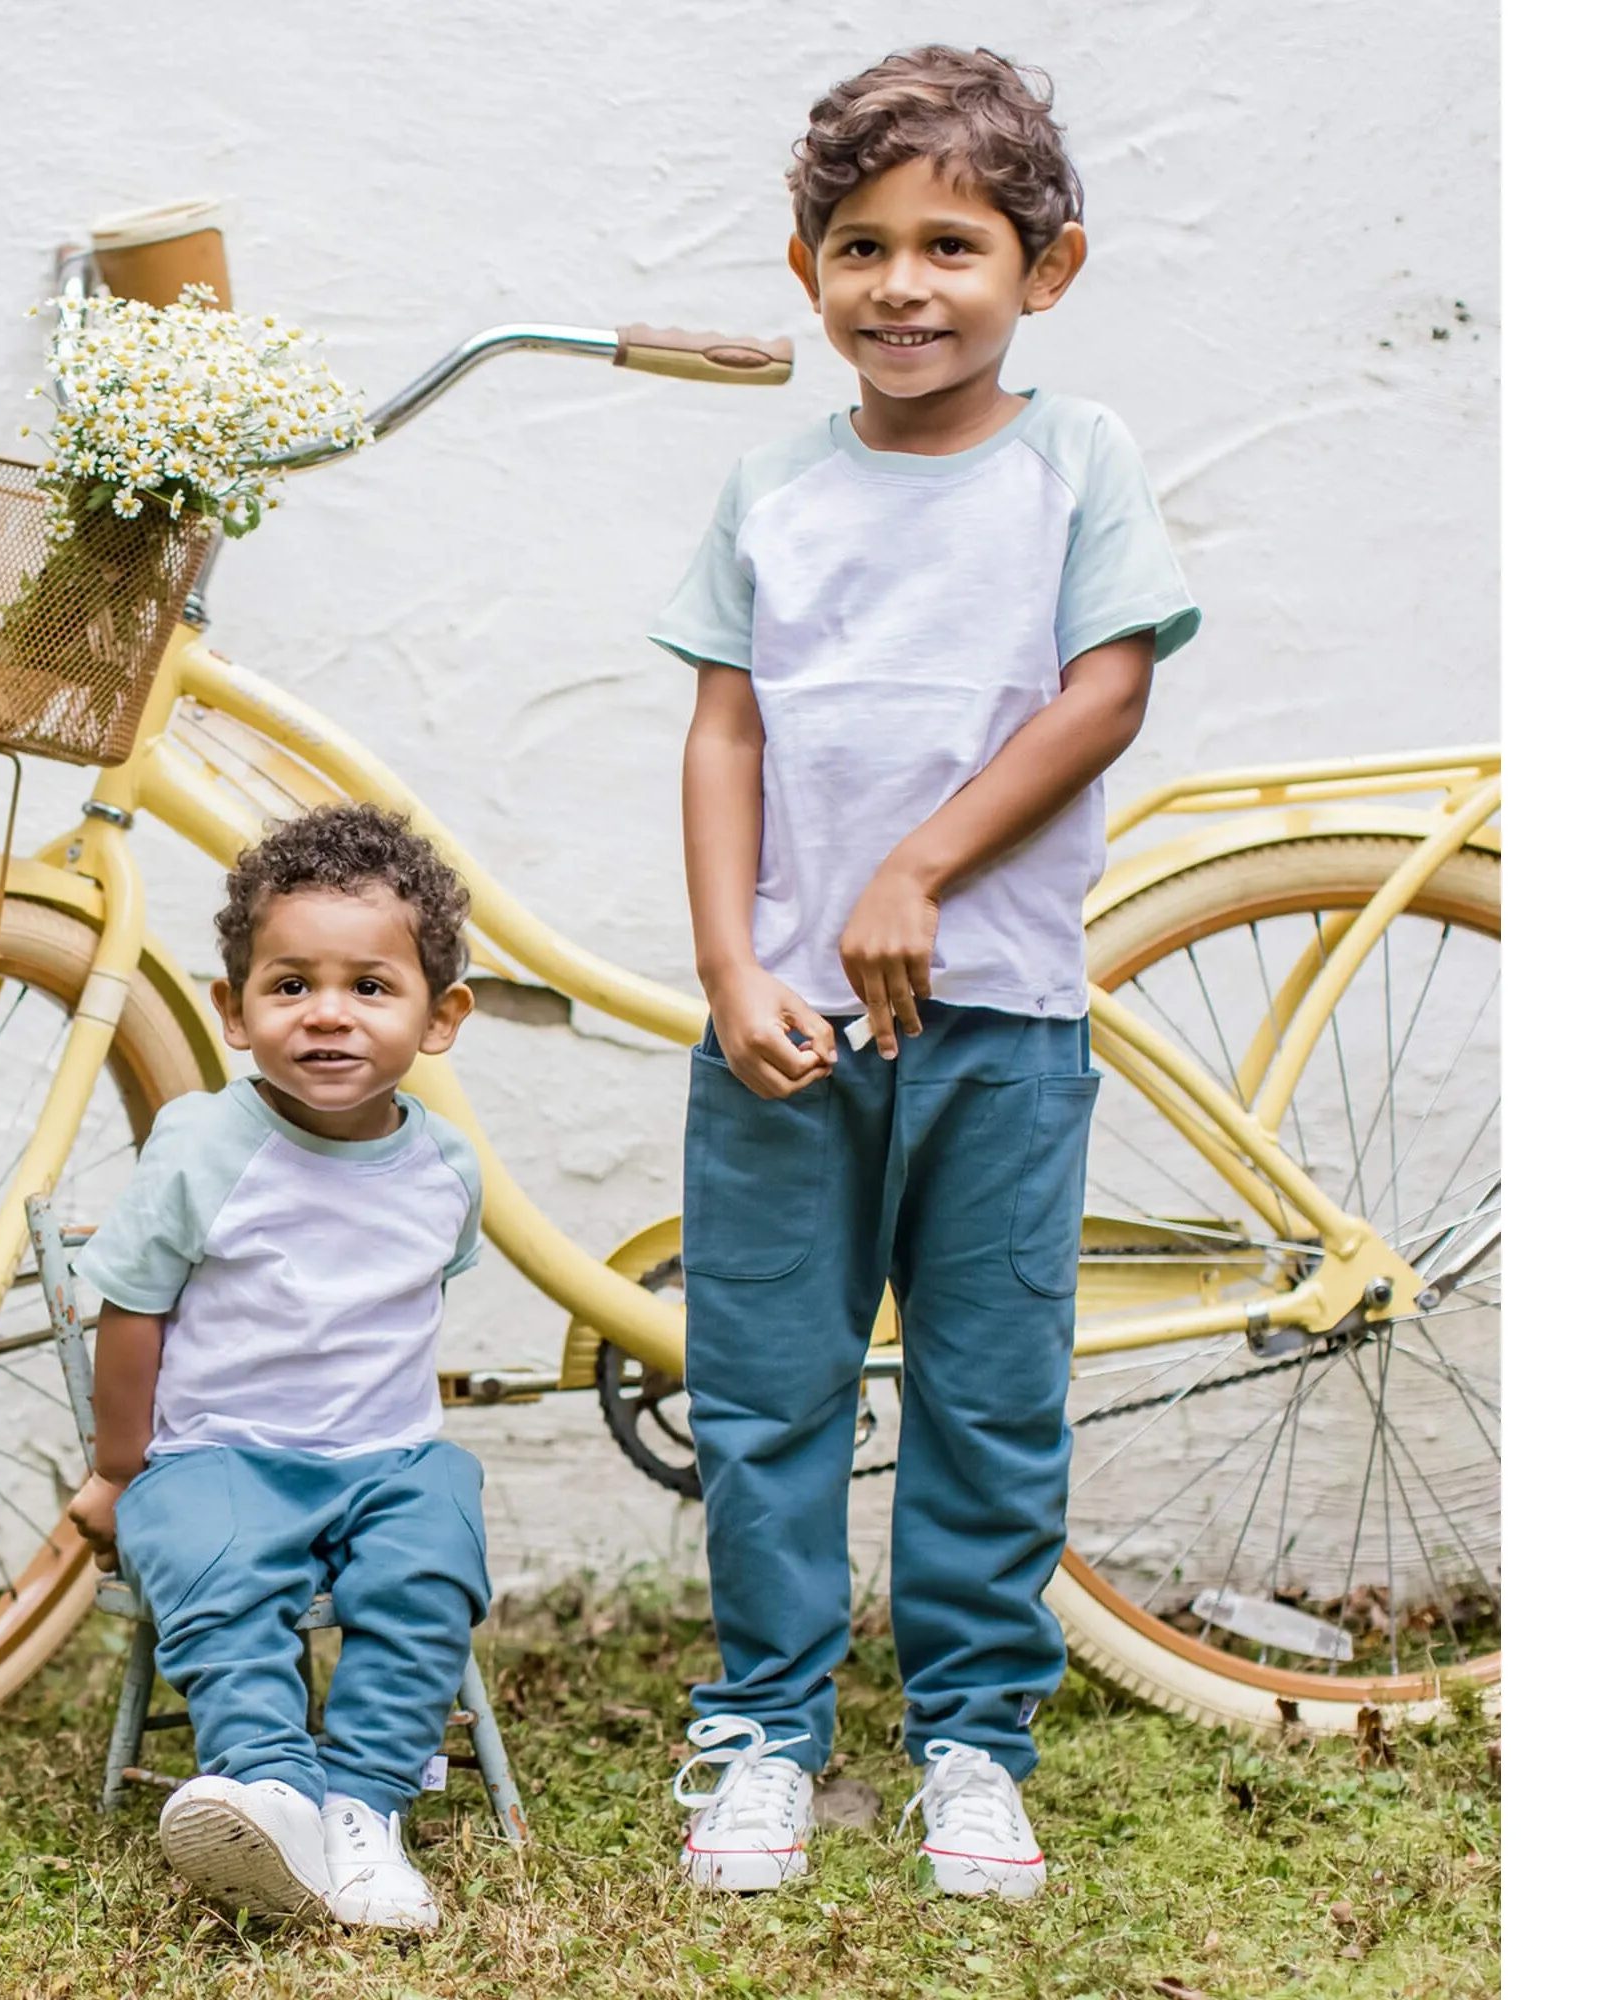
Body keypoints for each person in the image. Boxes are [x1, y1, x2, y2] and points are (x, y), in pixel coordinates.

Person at [652, 45, 1200, 1901]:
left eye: (952, 245)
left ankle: (972, 1738)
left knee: (987, 1389)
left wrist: (920, 865)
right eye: (861, 246)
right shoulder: (768, 492)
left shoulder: (1079, 464)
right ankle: (765, 1735)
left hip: (1004, 1024)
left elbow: (1103, 693)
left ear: (1044, 268)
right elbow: (724, 739)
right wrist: (732, 965)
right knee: (767, 1389)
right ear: (807, 268)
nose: (904, 285)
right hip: (786, 1035)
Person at [66, 803, 489, 1932]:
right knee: (217, 1579)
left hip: (388, 1457)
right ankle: (267, 1786)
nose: (327, 1017)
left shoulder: (446, 1167)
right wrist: (119, 1468)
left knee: (434, 1548)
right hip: (221, 1455)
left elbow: (402, 1310)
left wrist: (390, 1450)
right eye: (289, 985)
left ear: (439, 1015)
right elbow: (132, 1308)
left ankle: (363, 1805)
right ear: (234, 1011)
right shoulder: (204, 1144)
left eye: (370, 986)